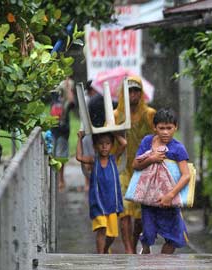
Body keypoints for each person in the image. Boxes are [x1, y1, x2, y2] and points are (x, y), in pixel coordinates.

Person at [132, 108, 190, 254]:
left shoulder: (178, 149)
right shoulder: (147, 142)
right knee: (149, 233)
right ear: (154, 127)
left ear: (175, 127)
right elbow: (135, 165)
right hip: (149, 199)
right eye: (161, 128)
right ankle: (145, 248)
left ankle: (162, 264)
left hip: (170, 201)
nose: (165, 132)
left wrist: (170, 195)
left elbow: (186, 175)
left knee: (173, 238)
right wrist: (151, 159)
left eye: (169, 128)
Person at [113, 75, 156, 254]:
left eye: (136, 90)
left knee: (139, 215)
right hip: (122, 166)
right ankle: (129, 250)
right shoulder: (115, 115)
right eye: (129, 91)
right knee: (124, 210)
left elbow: (159, 137)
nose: (133, 95)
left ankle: (133, 241)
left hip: (143, 168)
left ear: (141, 93)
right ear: (124, 93)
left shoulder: (149, 114)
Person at [76, 130, 127, 253]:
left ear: (112, 145)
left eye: (108, 144)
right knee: (102, 229)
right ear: (95, 146)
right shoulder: (94, 161)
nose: (104, 147)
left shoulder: (113, 159)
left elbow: (124, 143)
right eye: (101, 144)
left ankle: (104, 250)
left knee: (112, 235)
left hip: (112, 203)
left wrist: (114, 132)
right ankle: (100, 257)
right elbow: (79, 157)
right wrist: (80, 139)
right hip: (98, 202)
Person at [50, 76, 75, 191]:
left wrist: (69, 87)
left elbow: (71, 101)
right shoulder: (55, 95)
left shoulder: (67, 100)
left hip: (63, 130)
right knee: (52, 155)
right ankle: (54, 180)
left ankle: (61, 180)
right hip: (53, 129)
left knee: (61, 156)